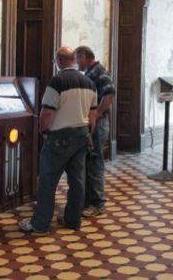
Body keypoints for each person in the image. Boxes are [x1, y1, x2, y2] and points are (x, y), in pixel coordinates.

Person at [19, 46, 97, 236]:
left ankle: (40, 224)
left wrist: (43, 130)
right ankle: (73, 219)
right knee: (77, 180)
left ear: (59, 61)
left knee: (47, 180)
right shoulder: (89, 83)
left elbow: (47, 111)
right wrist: (89, 134)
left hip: (60, 136)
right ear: (74, 60)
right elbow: (93, 114)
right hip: (82, 134)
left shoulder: (58, 81)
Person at [74, 46, 116, 218]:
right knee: (90, 161)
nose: (76, 63)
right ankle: (89, 200)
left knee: (95, 162)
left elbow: (109, 94)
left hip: (98, 124)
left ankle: (97, 203)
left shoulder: (99, 71)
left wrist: (97, 113)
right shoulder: (91, 72)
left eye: (76, 59)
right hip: (93, 122)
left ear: (83, 57)